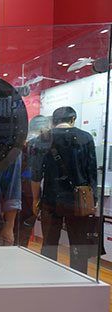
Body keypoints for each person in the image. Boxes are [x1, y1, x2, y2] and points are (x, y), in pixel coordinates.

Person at [31, 106, 98, 274]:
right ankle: (79, 278)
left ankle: (48, 278)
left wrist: (35, 200)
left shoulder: (43, 138)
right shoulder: (85, 138)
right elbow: (91, 172)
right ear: (73, 119)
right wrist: (94, 199)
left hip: (51, 199)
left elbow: (36, 175)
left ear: (54, 121)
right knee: (78, 243)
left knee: (49, 243)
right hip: (78, 200)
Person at [16, 115, 51, 246]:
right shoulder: (40, 145)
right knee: (26, 226)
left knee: (15, 226)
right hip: (31, 191)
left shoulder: (19, 144)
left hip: (16, 190)